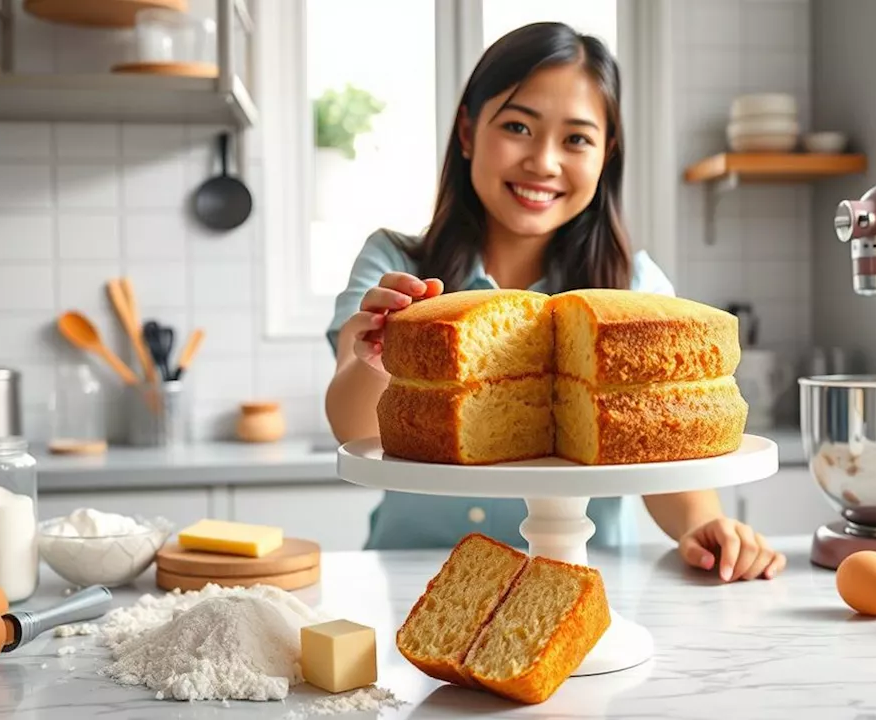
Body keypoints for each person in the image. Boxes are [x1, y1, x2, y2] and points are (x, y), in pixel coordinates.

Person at [324, 22, 786, 582]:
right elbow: (352, 423)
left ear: (606, 154)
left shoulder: (633, 288)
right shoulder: (395, 267)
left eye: (577, 139)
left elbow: (660, 445)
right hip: (414, 576)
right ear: (468, 132)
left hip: (586, 579)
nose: (544, 162)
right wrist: (379, 351)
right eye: (518, 126)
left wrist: (701, 524)